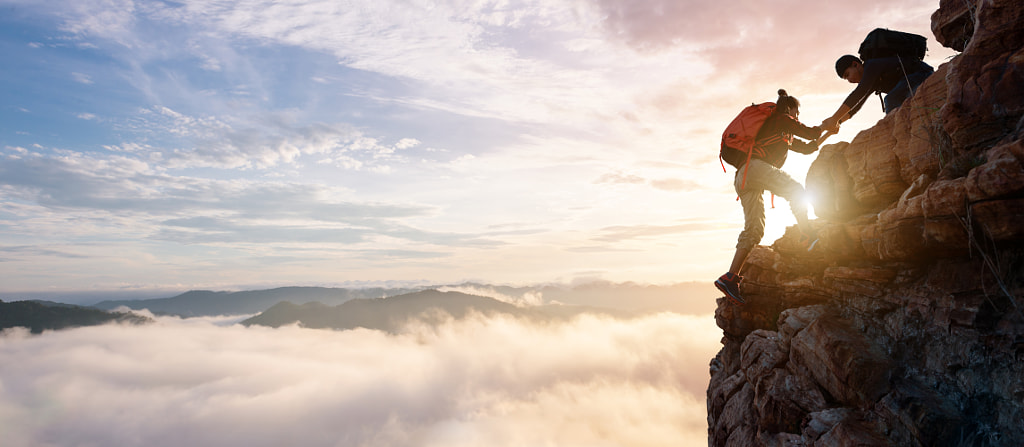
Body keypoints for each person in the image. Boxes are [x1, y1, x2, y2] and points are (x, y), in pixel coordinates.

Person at [715, 89, 822, 305]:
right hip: (756, 168)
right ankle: (808, 234)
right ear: (790, 109)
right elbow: (810, 133)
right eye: (797, 111)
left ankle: (730, 277)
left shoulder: (780, 130)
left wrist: (823, 135)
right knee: (796, 191)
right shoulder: (782, 119)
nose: (797, 115)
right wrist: (825, 127)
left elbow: (807, 147)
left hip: (743, 177)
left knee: (754, 229)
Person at [821, 54, 933, 133]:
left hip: (922, 74)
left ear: (855, 64)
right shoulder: (872, 80)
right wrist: (838, 121)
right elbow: (856, 106)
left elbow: (858, 93)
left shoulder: (872, 66)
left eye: (847, 74)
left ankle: (896, 133)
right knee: (894, 100)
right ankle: (901, 131)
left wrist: (834, 118)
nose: (849, 80)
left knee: (890, 100)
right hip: (910, 83)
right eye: (846, 79)